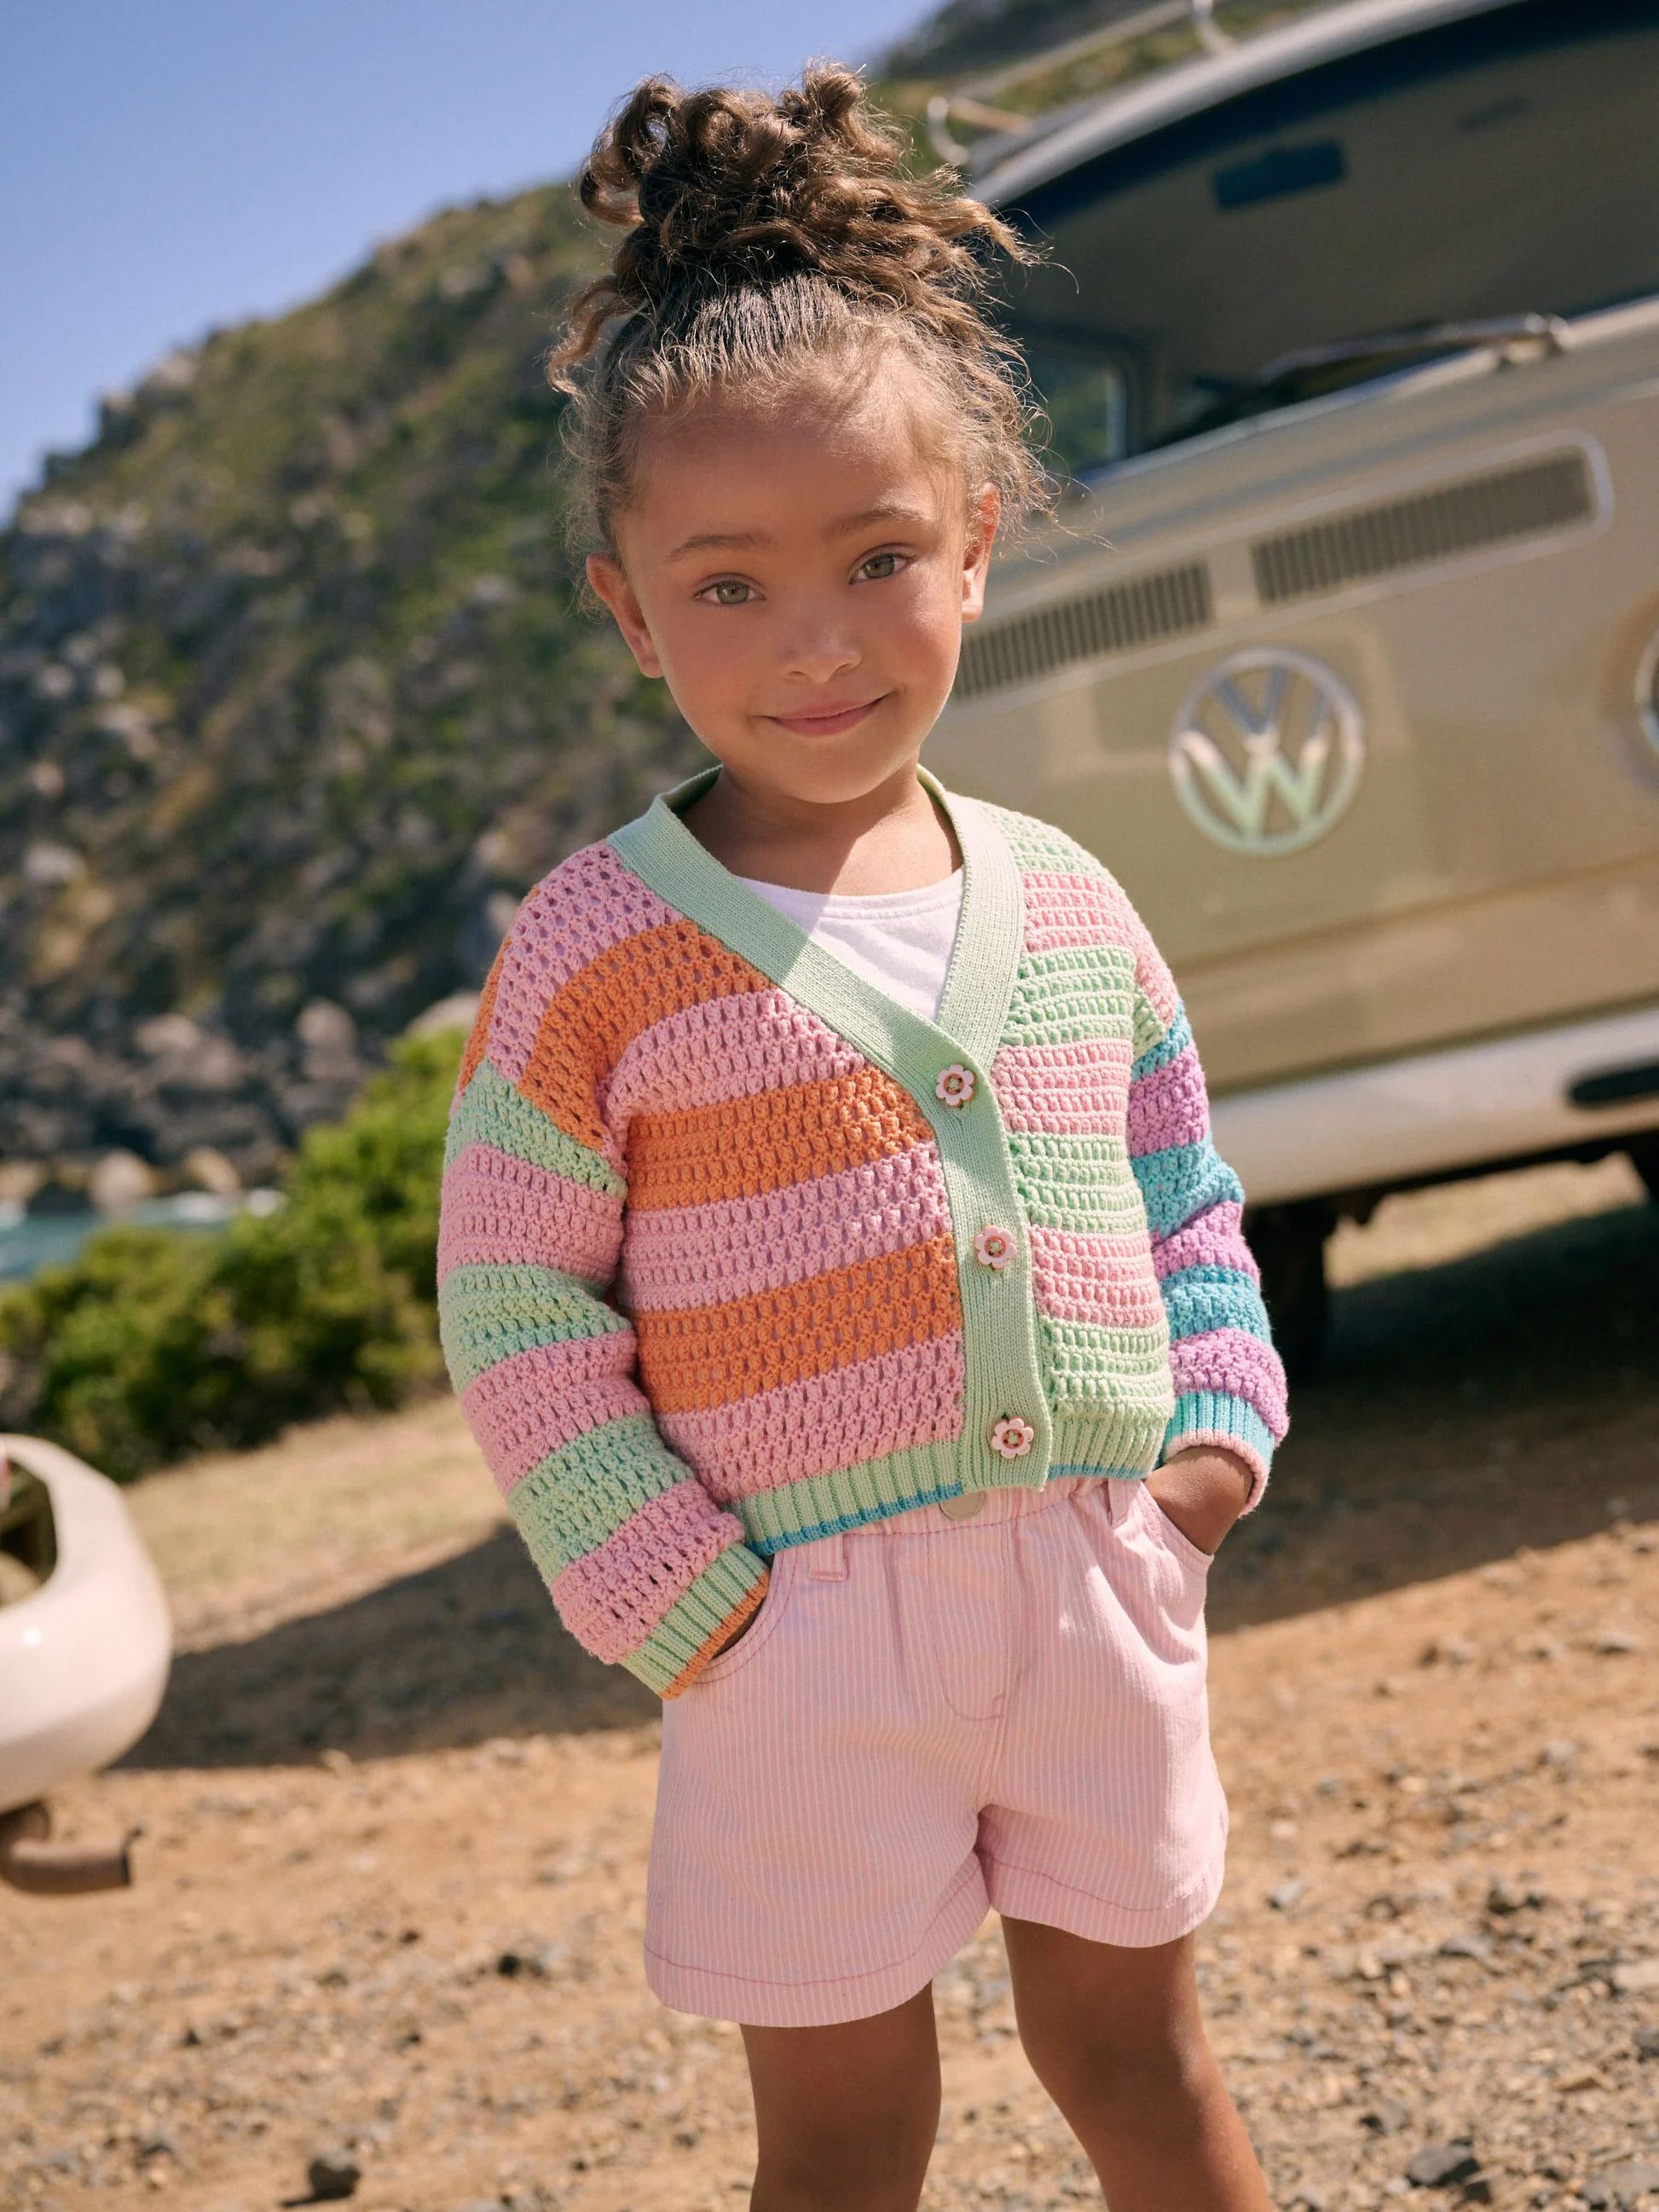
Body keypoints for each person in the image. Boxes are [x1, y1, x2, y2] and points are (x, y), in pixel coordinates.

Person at [437, 65, 1288, 2212]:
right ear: (631, 613)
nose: (813, 639)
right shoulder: (599, 946)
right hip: (790, 1639)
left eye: (878, 557)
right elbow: (518, 1293)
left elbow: (1182, 1187)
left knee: (1142, 2058)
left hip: (1100, 1580)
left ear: (977, 552)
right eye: (724, 589)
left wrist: (1204, 1454)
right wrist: (685, 1595)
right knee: (840, 2132)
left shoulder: (1071, 907)